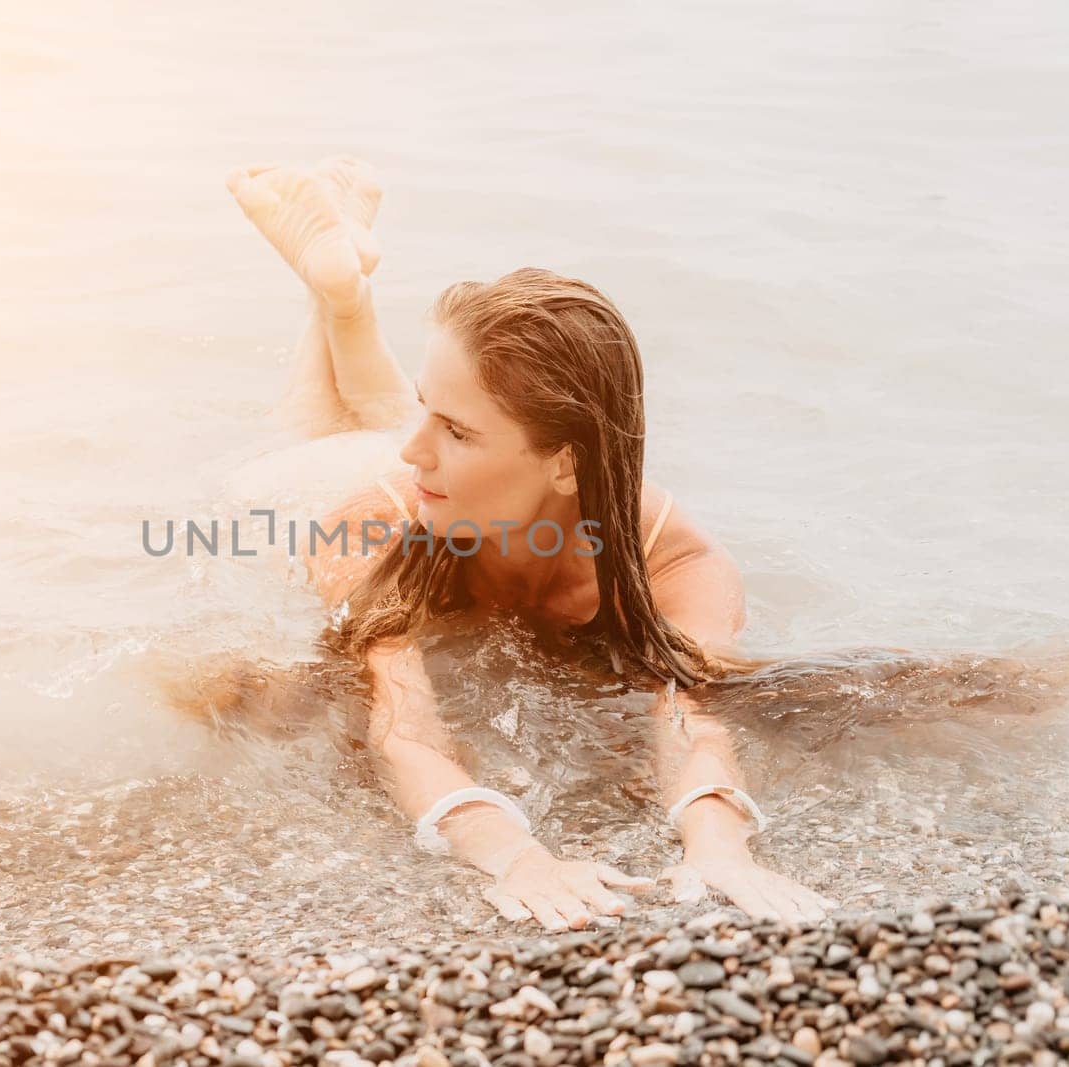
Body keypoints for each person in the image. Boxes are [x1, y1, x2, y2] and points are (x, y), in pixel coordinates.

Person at [213, 157, 817, 929]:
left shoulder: (676, 556)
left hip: (464, 494)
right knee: (323, 430)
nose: (414, 447)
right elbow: (404, 725)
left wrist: (720, 843)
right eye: (435, 415)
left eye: (456, 428)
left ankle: (345, 296)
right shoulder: (371, 522)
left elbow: (691, 713)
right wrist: (513, 852)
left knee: (390, 420)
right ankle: (332, 299)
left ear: (567, 462)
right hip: (325, 487)